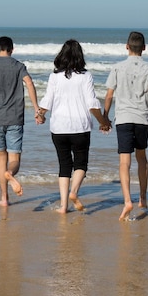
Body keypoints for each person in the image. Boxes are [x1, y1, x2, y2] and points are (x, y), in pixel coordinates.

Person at [37, 39, 111, 214]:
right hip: (80, 127)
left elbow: (47, 100)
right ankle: (74, 192)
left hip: (59, 128)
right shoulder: (86, 76)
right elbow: (92, 104)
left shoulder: (54, 76)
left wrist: (41, 115)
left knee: (64, 166)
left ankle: (63, 206)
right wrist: (103, 122)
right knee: (81, 163)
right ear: (80, 56)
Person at [104, 31, 148, 220]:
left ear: (126, 46)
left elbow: (109, 95)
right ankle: (142, 197)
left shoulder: (117, 67)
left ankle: (127, 200)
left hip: (123, 118)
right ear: (144, 48)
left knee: (124, 162)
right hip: (142, 118)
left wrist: (105, 118)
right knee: (141, 157)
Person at [0, 36, 41, 207]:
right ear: (12, 50)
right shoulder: (18, 66)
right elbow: (30, 83)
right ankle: (11, 173)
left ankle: (4, 199)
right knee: (14, 158)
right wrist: (36, 108)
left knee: (1, 157)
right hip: (15, 117)